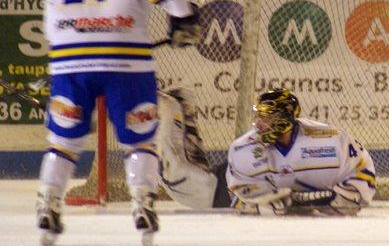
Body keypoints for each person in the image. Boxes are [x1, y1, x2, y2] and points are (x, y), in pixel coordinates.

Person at [36, 0, 201, 246]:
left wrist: (62, 60)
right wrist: (183, 17)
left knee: (63, 142)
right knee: (139, 140)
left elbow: (50, 9)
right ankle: (143, 204)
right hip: (124, 59)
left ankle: (48, 204)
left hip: (69, 60)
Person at [156, 87, 376, 216]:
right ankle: (171, 109)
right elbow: (237, 199)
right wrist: (258, 205)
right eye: (258, 116)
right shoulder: (244, 148)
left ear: (285, 117)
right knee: (176, 175)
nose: (259, 123)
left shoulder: (331, 140)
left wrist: (343, 198)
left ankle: (187, 129)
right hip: (222, 188)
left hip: (254, 181)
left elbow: (362, 173)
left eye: (266, 117)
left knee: (189, 171)